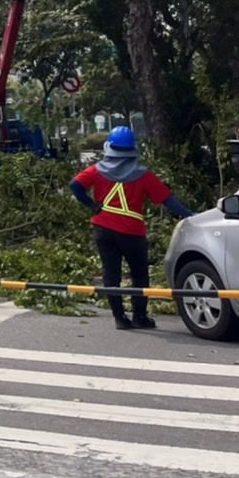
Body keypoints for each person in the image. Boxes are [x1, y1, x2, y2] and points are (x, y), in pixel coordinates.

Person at [69, 126, 193, 330]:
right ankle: (139, 317)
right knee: (139, 274)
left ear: (109, 147)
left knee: (111, 274)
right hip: (132, 233)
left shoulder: (96, 170)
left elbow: (75, 185)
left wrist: (91, 204)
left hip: (103, 229)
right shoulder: (143, 175)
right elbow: (168, 200)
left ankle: (119, 318)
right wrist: (190, 215)